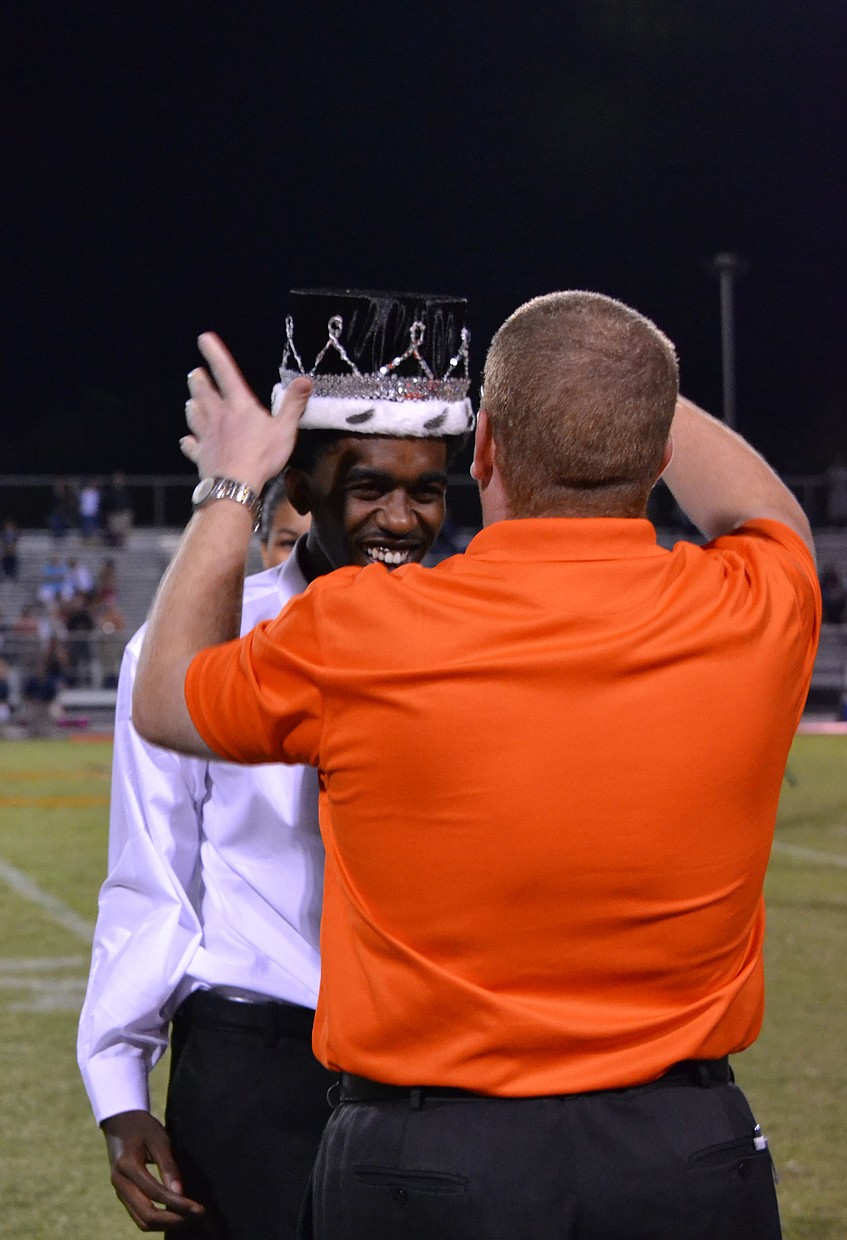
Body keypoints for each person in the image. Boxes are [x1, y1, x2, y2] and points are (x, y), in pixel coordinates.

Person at [133, 290, 819, 1240]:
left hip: (432, 1161)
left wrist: (232, 486)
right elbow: (761, 505)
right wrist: (601, 371)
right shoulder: (756, 609)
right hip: (683, 1151)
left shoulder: (362, 628)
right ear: (659, 458)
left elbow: (167, 696)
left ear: (483, 446)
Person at [78, 289, 472, 1239]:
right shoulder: (200, 640)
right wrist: (120, 1084)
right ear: (300, 485)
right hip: (254, 1059)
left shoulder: (476, 634)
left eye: (425, 490)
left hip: (437, 1066)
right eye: (369, 484)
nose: (401, 518)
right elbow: (152, 872)